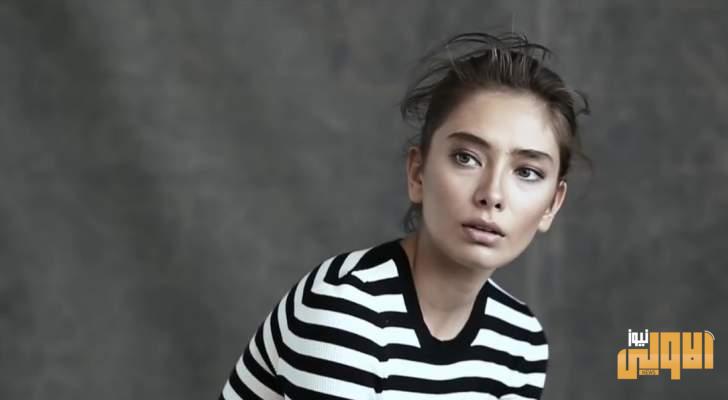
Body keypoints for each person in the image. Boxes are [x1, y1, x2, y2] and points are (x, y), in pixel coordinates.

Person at [218, 31, 589, 400]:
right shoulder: (348, 306)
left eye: (527, 172)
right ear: (417, 173)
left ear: (552, 205)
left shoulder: (520, 341)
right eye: (466, 158)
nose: (492, 194)